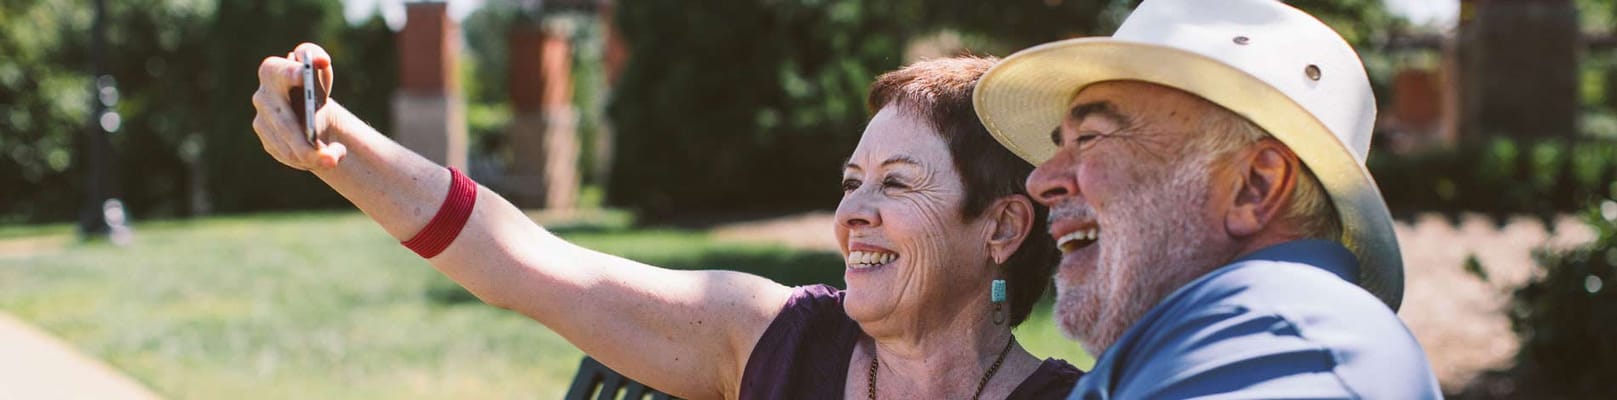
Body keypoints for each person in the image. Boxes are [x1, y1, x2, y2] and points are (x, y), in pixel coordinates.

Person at [252, 48, 1080, 399]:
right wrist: (336, 141)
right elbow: (520, 262)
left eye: (895, 185)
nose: (851, 214)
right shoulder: (772, 341)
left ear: (1002, 228)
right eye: (850, 181)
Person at [970, 0, 1443, 398]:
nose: (1041, 182)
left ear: (1254, 186)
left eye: (1090, 137)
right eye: (1060, 144)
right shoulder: (1253, 339)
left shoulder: (1278, 340)